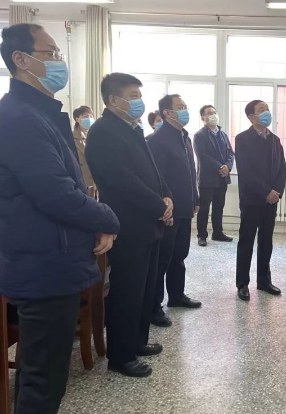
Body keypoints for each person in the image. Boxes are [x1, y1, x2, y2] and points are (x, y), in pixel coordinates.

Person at [0, 23, 120, 413]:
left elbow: (67, 186)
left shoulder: (39, 113)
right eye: (52, 53)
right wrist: (107, 217)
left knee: (44, 377)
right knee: (42, 384)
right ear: (21, 60)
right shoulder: (19, 118)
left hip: (52, 262)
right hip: (42, 268)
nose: (60, 61)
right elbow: (55, 193)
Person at [85, 73, 174, 378]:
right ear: (113, 100)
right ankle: (121, 356)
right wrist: (159, 206)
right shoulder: (103, 132)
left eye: (139, 95)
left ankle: (137, 342)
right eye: (133, 96)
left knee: (145, 290)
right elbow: (122, 181)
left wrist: (166, 196)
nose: (139, 101)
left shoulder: (132, 128)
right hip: (128, 224)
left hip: (149, 223)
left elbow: (153, 171)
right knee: (127, 292)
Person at [148, 94, 201, 328]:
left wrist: (195, 198)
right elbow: (157, 178)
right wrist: (164, 207)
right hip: (169, 210)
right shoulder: (157, 140)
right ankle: (154, 306)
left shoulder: (184, 136)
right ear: (167, 113)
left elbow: (191, 171)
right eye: (180, 107)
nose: (185, 110)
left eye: (186, 106)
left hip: (185, 206)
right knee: (163, 259)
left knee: (179, 254)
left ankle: (176, 296)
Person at [235, 100, 286, 301]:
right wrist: (266, 191)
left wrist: (277, 192)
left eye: (267, 109)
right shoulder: (242, 139)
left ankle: (264, 280)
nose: (266, 113)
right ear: (251, 117)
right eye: (261, 110)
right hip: (252, 199)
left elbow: (282, 168)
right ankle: (242, 283)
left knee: (266, 240)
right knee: (246, 241)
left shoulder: (274, 139)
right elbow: (245, 171)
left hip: (271, 201)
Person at [193, 105, 234, 247]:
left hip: (222, 178)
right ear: (203, 118)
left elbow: (231, 153)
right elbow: (203, 156)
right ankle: (202, 235)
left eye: (214, 112)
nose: (213, 115)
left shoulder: (223, 134)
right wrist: (219, 167)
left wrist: (227, 166)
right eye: (209, 113)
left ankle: (218, 232)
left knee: (219, 206)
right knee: (204, 208)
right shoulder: (199, 135)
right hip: (207, 178)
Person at [72, 105, 95, 189]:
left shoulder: (96, 135)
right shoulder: (71, 137)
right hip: (81, 180)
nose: (89, 119)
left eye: (91, 116)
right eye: (85, 116)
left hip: (96, 180)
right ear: (77, 119)